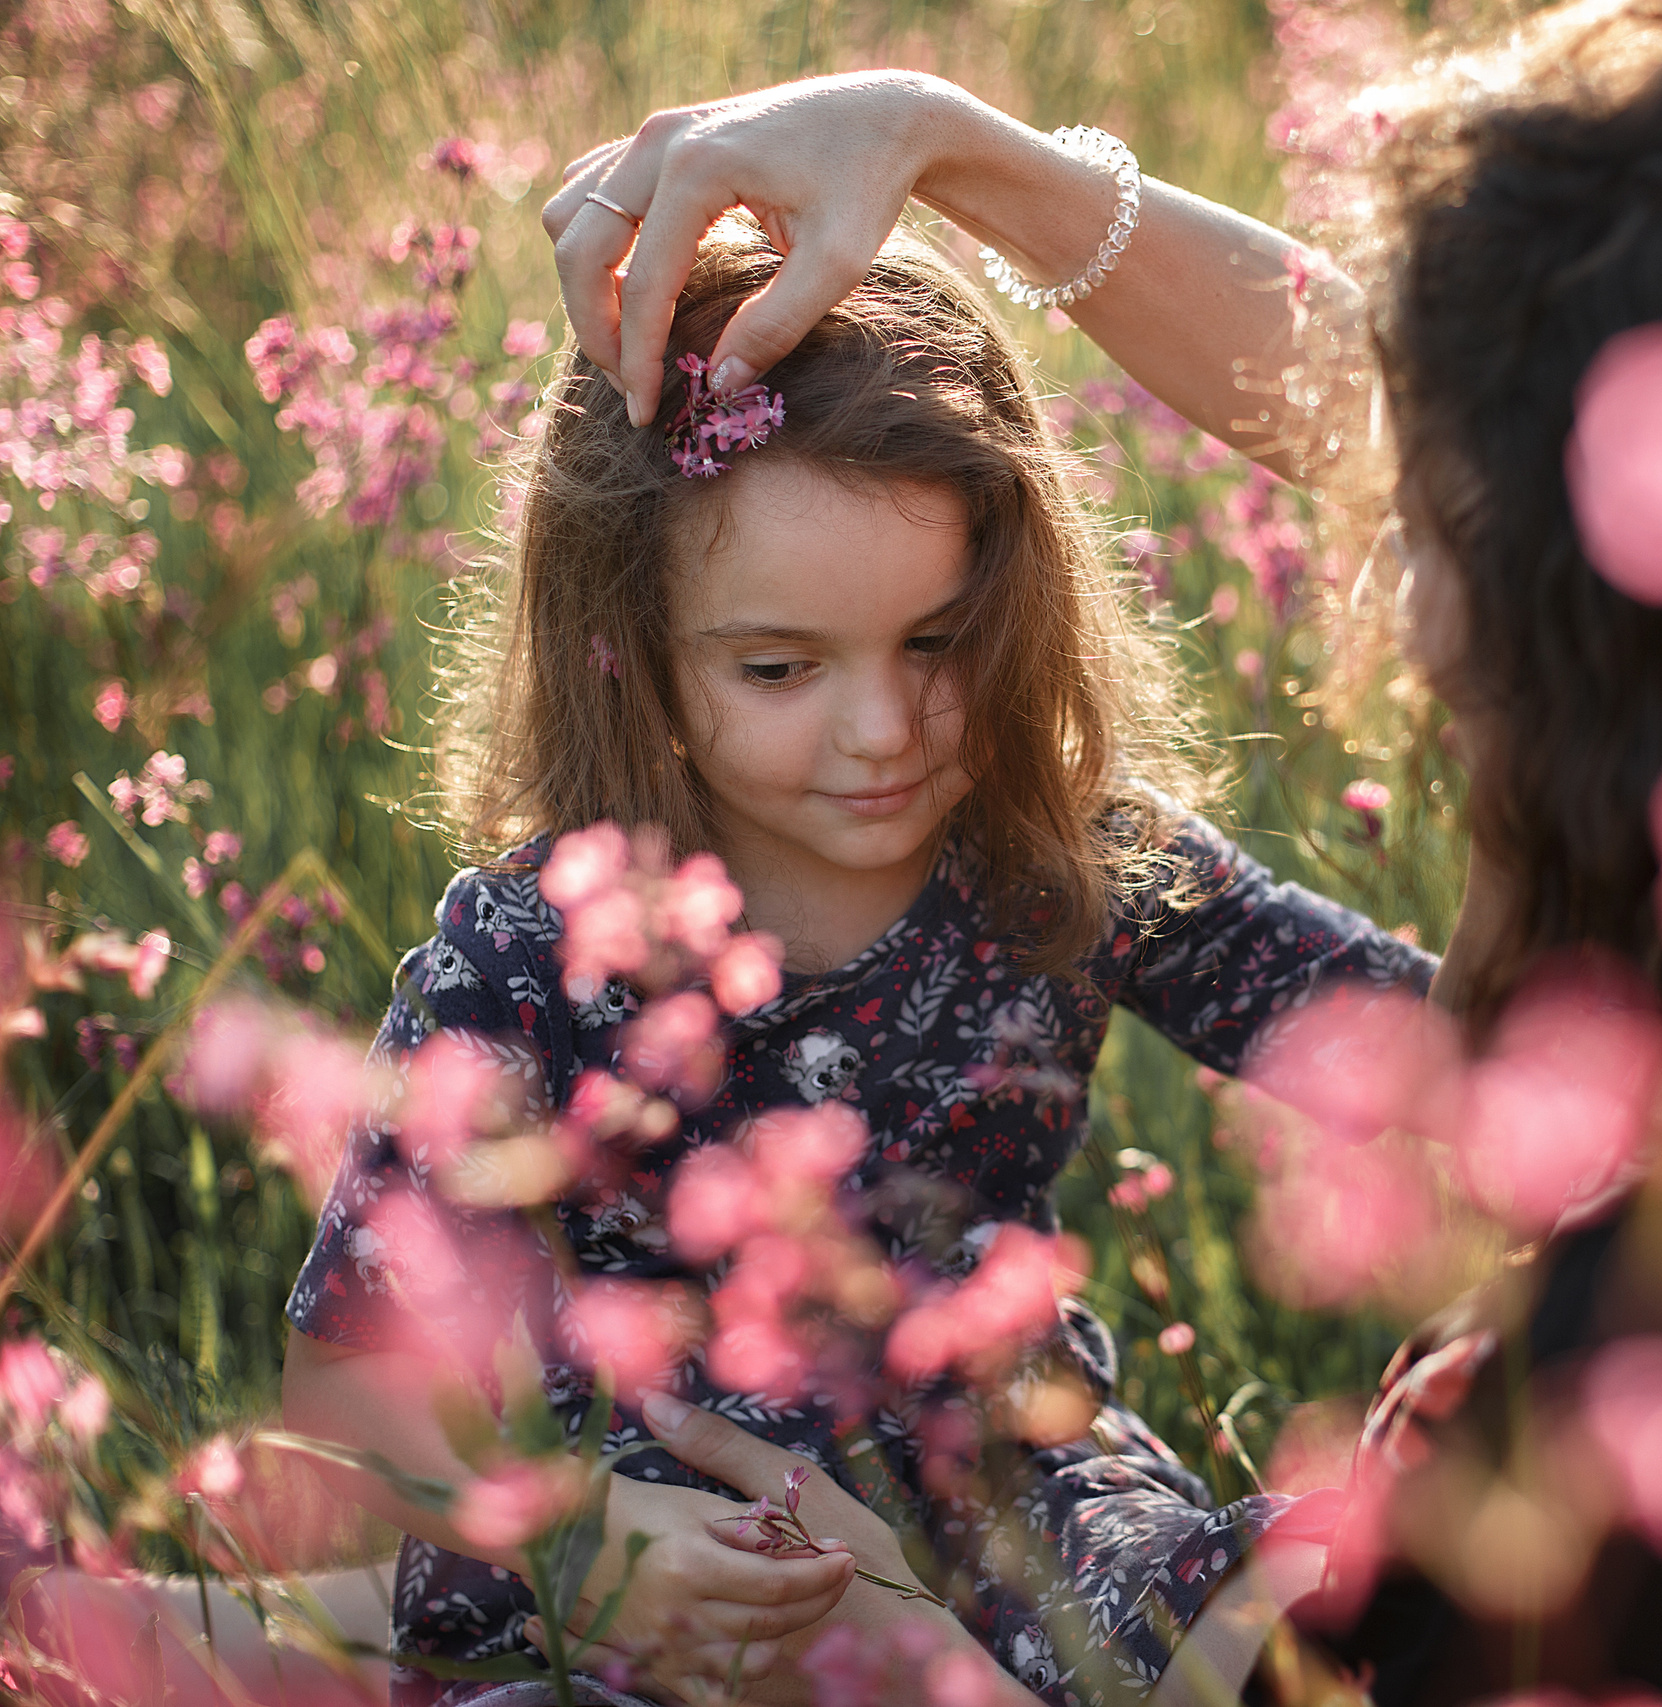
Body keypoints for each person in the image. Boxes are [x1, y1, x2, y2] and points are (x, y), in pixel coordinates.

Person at [541, 1, 1662, 1701]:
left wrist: (900, 1659)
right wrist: (948, 144)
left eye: (1437, 521)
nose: (1386, 568)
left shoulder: (1619, 1430)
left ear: (1593, 632)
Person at [278, 223, 1435, 1707]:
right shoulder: (522, 953)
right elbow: (344, 1407)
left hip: (1027, 1512)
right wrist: (576, 1545)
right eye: (779, 668)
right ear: (626, 645)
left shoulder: (1061, 854)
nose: (883, 730)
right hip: (676, 1557)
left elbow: (1436, 1046)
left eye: (940, 642)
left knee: (1311, 1618)